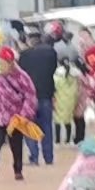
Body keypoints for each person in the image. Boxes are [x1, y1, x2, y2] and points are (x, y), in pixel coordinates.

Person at [0, 46, 39, 182]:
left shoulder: (22, 77)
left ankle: (18, 170)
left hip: (15, 117)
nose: (1, 66)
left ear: (11, 62)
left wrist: (23, 115)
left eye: (3, 63)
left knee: (16, 145)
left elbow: (30, 97)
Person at [17, 29, 60, 166]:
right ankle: (48, 157)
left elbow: (20, 76)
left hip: (29, 97)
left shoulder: (24, 55)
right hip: (46, 95)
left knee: (30, 126)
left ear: (29, 40)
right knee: (47, 127)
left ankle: (34, 157)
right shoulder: (51, 53)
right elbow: (53, 71)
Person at [53, 58, 85, 144]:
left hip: (59, 100)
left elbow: (54, 87)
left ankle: (58, 140)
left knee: (58, 120)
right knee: (68, 120)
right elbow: (77, 89)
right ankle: (67, 140)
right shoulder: (75, 76)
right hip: (71, 101)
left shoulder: (58, 75)